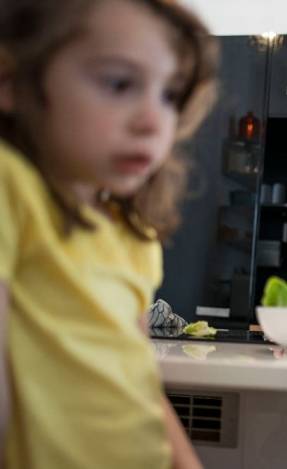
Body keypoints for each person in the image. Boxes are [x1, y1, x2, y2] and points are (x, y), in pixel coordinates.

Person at [0, 1, 217, 468]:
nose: (153, 120)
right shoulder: (9, 185)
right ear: (10, 81)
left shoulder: (132, 231)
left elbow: (137, 379)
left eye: (169, 96)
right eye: (119, 83)